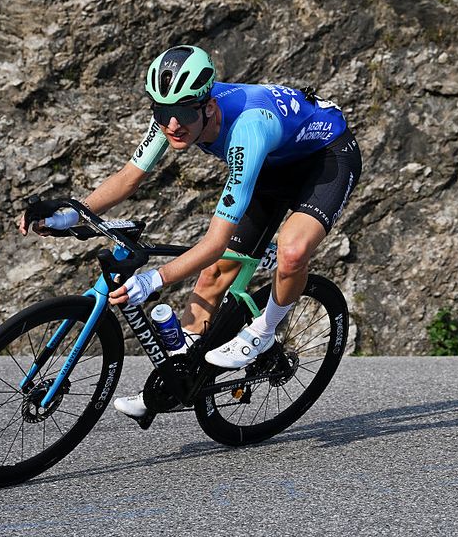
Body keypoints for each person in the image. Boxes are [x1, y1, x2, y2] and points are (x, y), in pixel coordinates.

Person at [19, 45, 362, 419]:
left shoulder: (248, 127)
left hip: (326, 157)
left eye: (182, 113)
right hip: (271, 167)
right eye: (162, 113)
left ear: (208, 107)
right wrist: (70, 215)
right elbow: (130, 177)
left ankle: (264, 331)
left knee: (292, 252)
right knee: (213, 276)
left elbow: (214, 242)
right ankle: (179, 380)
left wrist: (154, 280)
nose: (172, 125)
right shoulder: (174, 114)